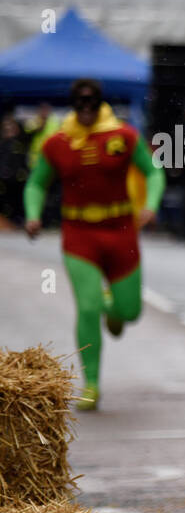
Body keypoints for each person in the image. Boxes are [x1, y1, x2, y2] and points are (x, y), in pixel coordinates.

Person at [23, 79, 164, 410]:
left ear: (101, 103)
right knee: (87, 308)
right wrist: (32, 215)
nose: (86, 109)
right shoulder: (57, 142)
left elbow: (154, 171)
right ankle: (92, 384)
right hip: (79, 235)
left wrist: (152, 206)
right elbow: (36, 183)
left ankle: (112, 308)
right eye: (79, 103)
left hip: (121, 231)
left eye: (92, 102)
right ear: (72, 105)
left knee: (130, 311)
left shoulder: (124, 136)